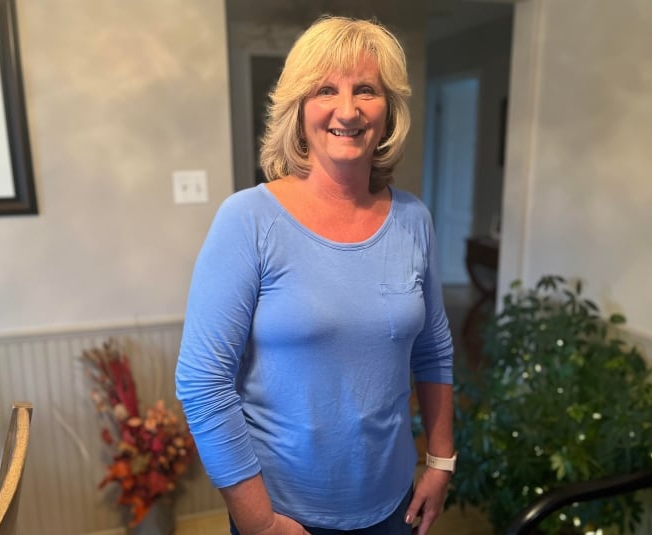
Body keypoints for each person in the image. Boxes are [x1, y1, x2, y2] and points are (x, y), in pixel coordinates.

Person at [176, 15, 455, 535]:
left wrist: (440, 461)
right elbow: (202, 382)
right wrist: (260, 523)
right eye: (326, 89)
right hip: (285, 518)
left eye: (365, 90)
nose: (347, 110)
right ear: (298, 109)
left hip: (392, 507)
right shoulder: (248, 219)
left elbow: (433, 349)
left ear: (388, 110)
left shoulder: (414, 218)